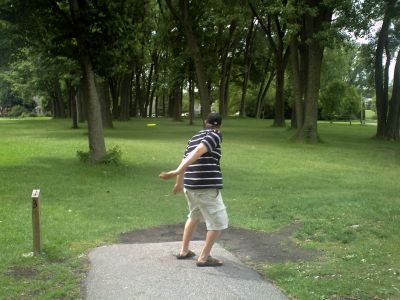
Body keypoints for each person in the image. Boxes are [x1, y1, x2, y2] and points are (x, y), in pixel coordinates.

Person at [159, 112, 228, 267]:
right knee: (218, 223)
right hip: (205, 188)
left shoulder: (194, 138)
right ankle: (204, 258)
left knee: (194, 216)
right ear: (220, 125)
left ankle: (184, 251)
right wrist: (177, 173)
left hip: (190, 187)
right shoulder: (215, 134)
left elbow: (186, 158)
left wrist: (179, 183)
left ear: (205, 122)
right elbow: (197, 152)